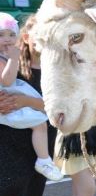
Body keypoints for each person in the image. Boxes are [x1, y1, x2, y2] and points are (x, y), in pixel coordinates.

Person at [0, 14, 56, 196]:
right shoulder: (10, 64)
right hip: (7, 149)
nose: (6, 41)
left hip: (28, 150)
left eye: (8, 35)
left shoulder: (42, 66)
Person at [0, 13, 61, 182]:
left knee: (40, 124)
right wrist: (13, 58)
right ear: (26, 38)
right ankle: (44, 160)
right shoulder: (8, 60)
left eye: (11, 34)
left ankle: (44, 160)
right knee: (39, 124)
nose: (7, 39)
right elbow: (7, 81)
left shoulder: (55, 70)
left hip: (15, 110)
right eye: (1, 35)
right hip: (8, 116)